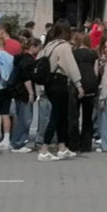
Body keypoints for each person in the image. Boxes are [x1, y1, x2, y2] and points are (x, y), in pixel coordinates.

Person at [36, 24, 81, 161]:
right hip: (59, 82)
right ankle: (44, 148)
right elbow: (71, 67)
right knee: (56, 116)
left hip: (49, 83)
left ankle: (62, 147)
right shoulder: (64, 47)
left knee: (61, 115)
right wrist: (79, 84)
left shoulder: (48, 46)